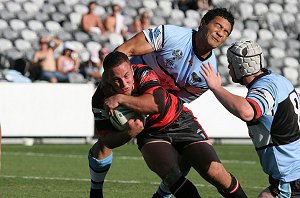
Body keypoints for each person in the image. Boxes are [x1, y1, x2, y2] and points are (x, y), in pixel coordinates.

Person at [89, 8, 246, 198]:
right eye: (218, 26)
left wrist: (141, 104)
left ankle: (162, 195)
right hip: (128, 86)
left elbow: (173, 100)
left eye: (226, 32)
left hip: (157, 106)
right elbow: (125, 51)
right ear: (203, 23)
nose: (221, 33)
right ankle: (96, 191)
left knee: (205, 169)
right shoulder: (171, 36)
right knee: (107, 141)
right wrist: (110, 84)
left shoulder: (209, 73)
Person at [200, 39, 300, 198]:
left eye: (231, 64)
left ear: (241, 67)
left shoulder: (264, 87)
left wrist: (216, 88)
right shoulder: (280, 81)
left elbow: (247, 111)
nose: (229, 68)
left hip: (291, 175)